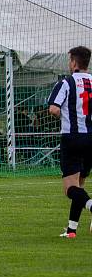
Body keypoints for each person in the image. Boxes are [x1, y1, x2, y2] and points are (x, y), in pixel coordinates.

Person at [47, 46, 92, 238]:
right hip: (91, 138)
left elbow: (53, 109)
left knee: (69, 188)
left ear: (74, 62)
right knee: (79, 184)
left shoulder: (66, 82)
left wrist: (66, 115)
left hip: (72, 138)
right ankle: (72, 230)